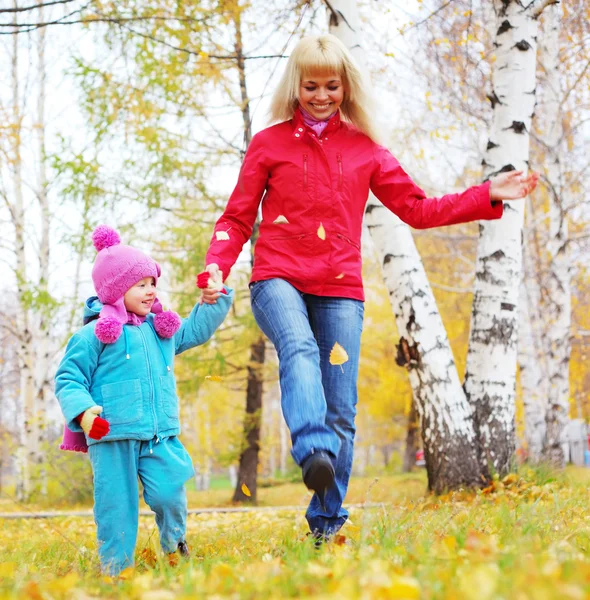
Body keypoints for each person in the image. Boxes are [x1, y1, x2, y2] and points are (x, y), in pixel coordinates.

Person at [201, 34, 538, 543]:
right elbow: (237, 216)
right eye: (310, 85)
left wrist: (486, 192)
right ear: (297, 85)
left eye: (330, 86)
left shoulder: (365, 150)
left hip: (340, 287)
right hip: (278, 278)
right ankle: (312, 450)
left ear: (345, 87)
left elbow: (419, 210)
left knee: (342, 408)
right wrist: (216, 266)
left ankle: (327, 525)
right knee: (297, 348)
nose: (320, 95)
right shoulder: (268, 144)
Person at [55, 225, 233, 575]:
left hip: (159, 434)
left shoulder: (160, 329)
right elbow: (68, 377)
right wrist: (84, 412)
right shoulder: (93, 335)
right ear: (117, 289)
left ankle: (174, 549)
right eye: (141, 284)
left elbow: (195, 330)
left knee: (170, 494)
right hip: (112, 435)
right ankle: (116, 568)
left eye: (153, 282)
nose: (151, 290)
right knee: (116, 507)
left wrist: (215, 298)